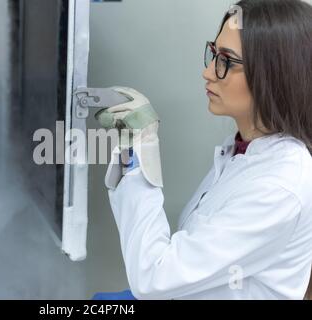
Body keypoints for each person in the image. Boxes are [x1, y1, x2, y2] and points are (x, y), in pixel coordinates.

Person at [93, 0, 312, 300]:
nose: (208, 72)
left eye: (226, 61)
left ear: (274, 74)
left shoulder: (277, 187)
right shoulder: (242, 151)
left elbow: (154, 277)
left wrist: (139, 147)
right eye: (213, 53)